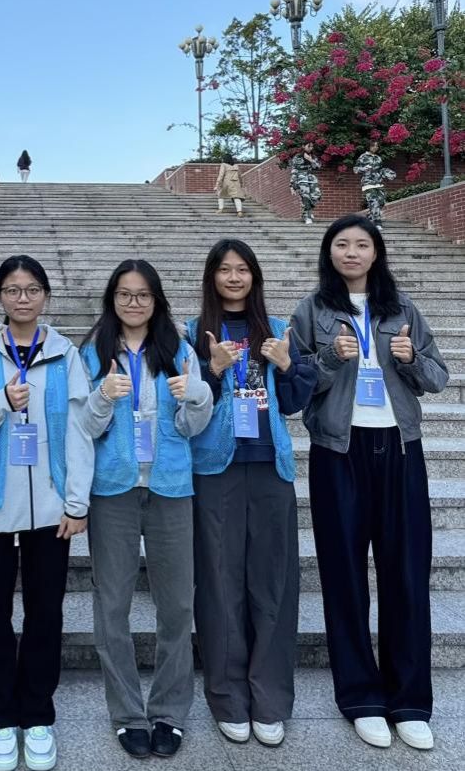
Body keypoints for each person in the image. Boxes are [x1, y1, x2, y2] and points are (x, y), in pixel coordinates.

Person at [290, 214, 449, 752]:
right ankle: (361, 697)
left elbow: (437, 377)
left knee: (407, 573)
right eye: (342, 244)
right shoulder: (312, 311)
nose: (352, 252)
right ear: (329, 253)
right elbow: (296, 384)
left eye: (362, 244)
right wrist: (329, 358)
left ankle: (410, 701)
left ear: (376, 253)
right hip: (338, 451)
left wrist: (410, 358)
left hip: (400, 450)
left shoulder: (401, 308)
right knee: (344, 576)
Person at [0, 256, 93, 771]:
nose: (23, 298)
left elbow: (80, 430)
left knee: (45, 612)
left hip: (51, 510)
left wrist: (77, 503)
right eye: (12, 290)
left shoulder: (65, 354)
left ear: (46, 295)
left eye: (32, 289)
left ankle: (37, 713)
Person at [186, 239, 316, 747]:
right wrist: (212, 369)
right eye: (225, 269)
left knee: (273, 583)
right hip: (215, 470)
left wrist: (287, 365)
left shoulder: (278, 329)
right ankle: (227, 697)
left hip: (269, 468)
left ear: (255, 277)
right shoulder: (191, 333)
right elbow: (186, 406)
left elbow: (293, 401)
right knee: (219, 584)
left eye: (243, 269)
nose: (234, 277)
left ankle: (270, 698)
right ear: (212, 278)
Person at [81, 259, 212, 759]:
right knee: (111, 605)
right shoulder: (93, 351)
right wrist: (102, 397)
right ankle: (127, 714)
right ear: (111, 299)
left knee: (176, 605)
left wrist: (196, 395)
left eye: (142, 295)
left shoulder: (178, 350)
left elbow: (192, 426)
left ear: (156, 300)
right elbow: (84, 428)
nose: (133, 303)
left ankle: (169, 712)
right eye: (124, 294)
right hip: (113, 489)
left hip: (170, 486)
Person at [353, 141, 396, 229]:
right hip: (368, 183)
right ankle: (377, 223)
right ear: (369, 146)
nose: (375, 147)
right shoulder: (363, 157)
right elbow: (355, 169)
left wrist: (388, 173)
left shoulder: (378, 158)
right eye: (373, 145)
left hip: (378, 183)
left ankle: (370, 216)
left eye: (377, 146)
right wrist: (364, 168)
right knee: (374, 202)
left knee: (381, 202)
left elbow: (380, 170)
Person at [289, 142, 322, 225]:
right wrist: (292, 186)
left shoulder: (313, 157)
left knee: (317, 196)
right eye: (309, 146)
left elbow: (318, 167)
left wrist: (311, 160)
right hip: (302, 179)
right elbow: (294, 171)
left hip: (311, 178)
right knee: (306, 197)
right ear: (303, 146)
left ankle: (306, 211)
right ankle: (308, 217)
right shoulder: (297, 157)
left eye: (312, 146)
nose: (311, 148)